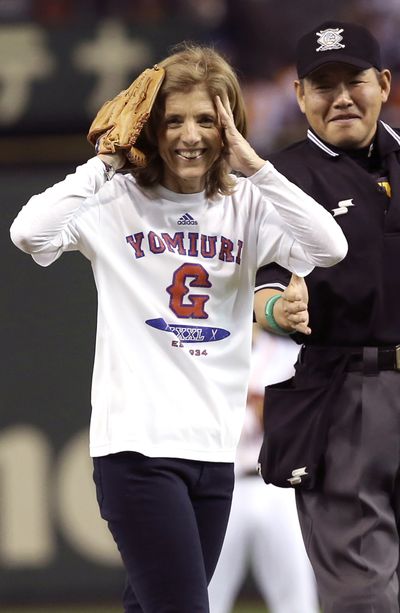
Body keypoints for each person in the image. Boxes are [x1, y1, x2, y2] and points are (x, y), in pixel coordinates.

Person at [10, 43, 347, 613]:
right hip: (138, 451)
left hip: (213, 452)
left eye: (207, 120)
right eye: (172, 120)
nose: (189, 135)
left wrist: (257, 167)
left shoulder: (247, 204)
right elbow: (29, 233)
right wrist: (105, 163)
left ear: (229, 127)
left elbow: (329, 246)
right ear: (149, 128)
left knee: (151, 606)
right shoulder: (116, 199)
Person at [254, 20, 400, 613]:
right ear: (300, 97)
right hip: (346, 392)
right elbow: (260, 288)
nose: (340, 97)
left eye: (353, 80)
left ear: (383, 84)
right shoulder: (283, 178)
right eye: (323, 84)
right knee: (361, 590)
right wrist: (278, 310)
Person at [208, 325, 319, 613]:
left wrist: (262, 409)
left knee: (296, 599)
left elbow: (304, 423)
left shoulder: (290, 356)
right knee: (205, 597)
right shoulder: (206, 352)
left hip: (278, 488)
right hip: (222, 486)